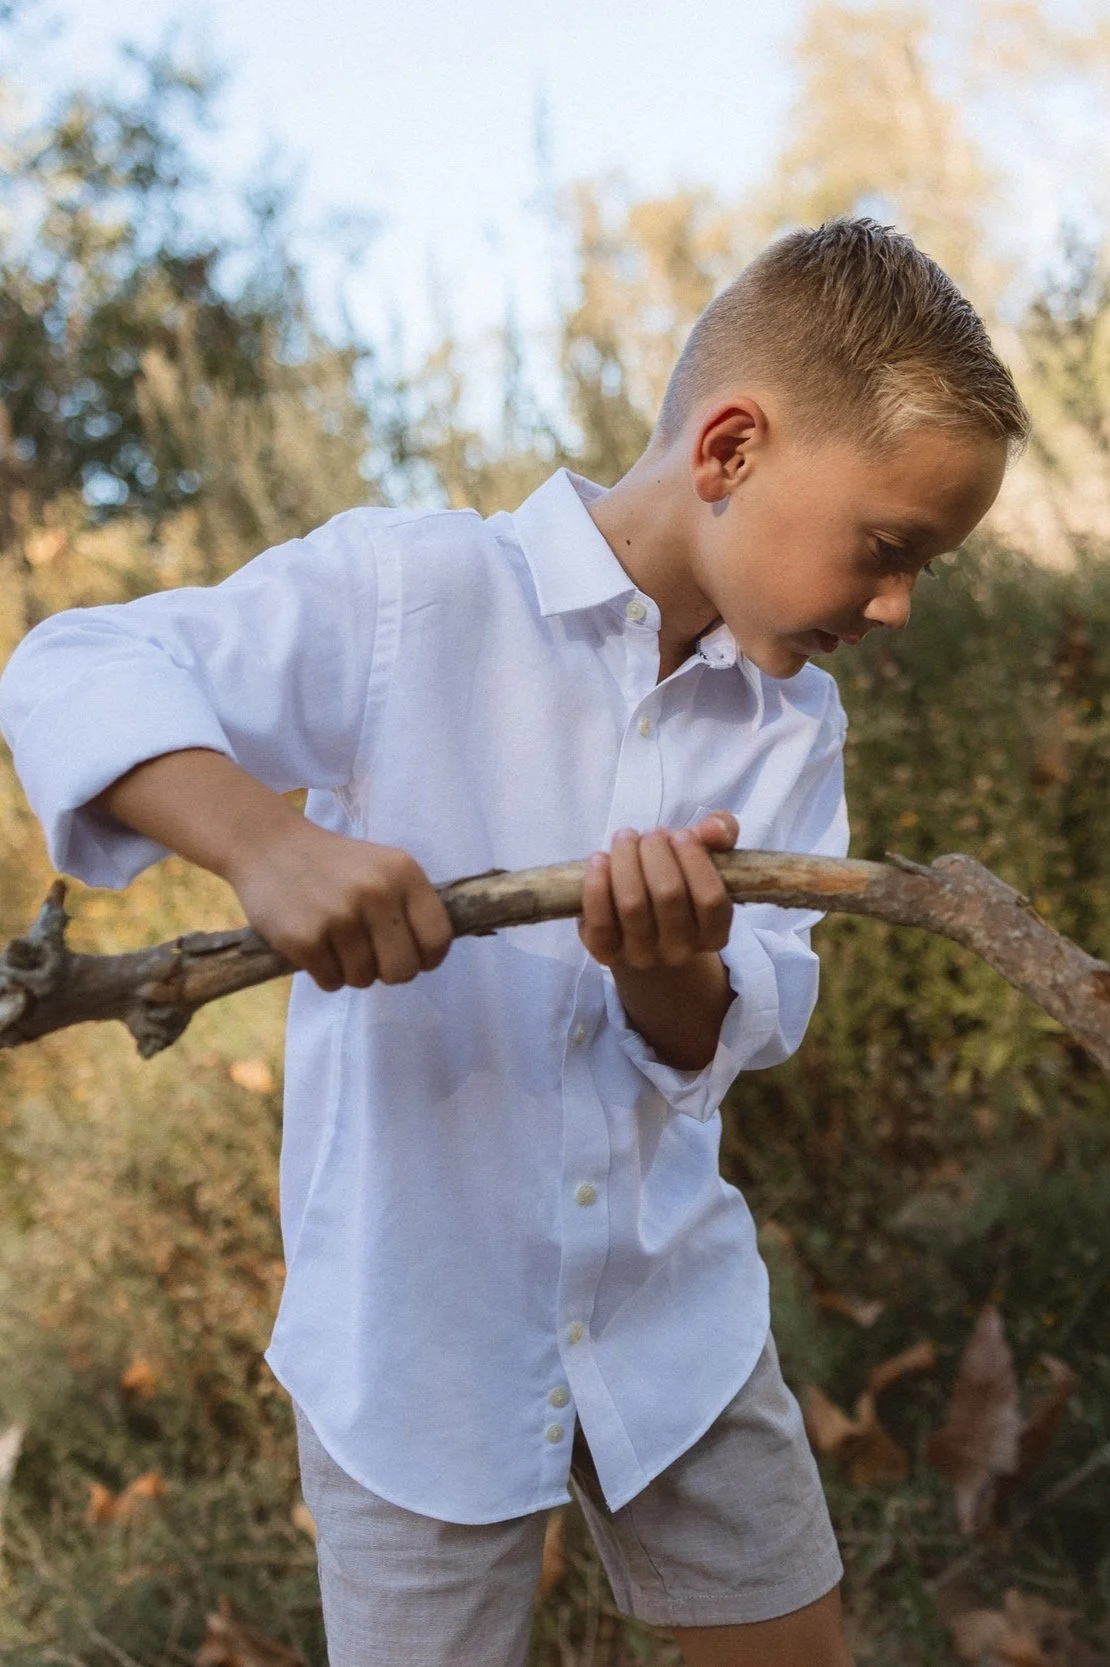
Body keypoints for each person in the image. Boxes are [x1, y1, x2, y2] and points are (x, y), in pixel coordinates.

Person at [0, 218, 1027, 1667]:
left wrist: (666, 964)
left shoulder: (791, 724)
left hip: (671, 1320)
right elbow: (75, 665)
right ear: (730, 449)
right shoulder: (407, 597)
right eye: (888, 547)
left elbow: (735, 1025)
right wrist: (266, 840)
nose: (898, 603)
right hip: (413, 1346)